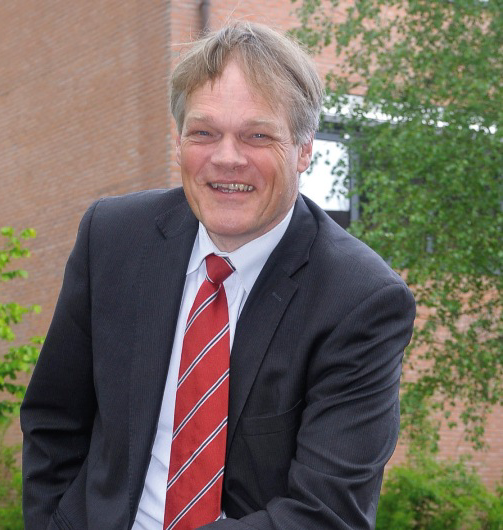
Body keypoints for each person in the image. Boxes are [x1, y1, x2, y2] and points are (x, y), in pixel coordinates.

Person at [21, 21, 416, 530]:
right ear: (179, 141)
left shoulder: (360, 300)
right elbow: (54, 419)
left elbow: (325, 513)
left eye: (257, 135)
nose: (227, 158)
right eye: (204, 133)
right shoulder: (112, 238)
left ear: (304, 149)